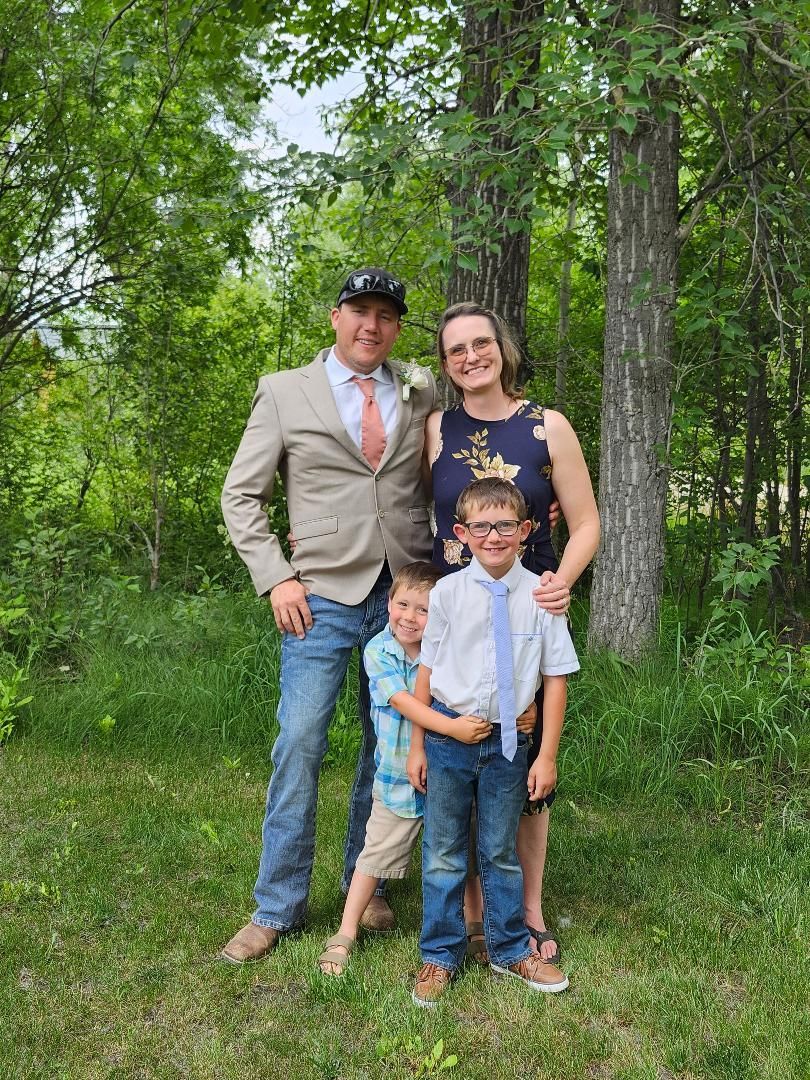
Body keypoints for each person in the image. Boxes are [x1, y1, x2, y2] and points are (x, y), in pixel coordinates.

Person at [219, 268, 440, 964]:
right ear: (335, 317)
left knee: (389, 748)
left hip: (403, 597)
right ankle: (276, 905)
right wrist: (276, 578)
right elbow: (240, 497)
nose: (371, 325)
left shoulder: (420, 388)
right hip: (316, 596)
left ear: (398, 326)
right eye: (359, 312)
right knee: (300, 744)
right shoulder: (285, 391)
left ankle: (363, 882)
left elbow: (447, 474)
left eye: (386, 315)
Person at [425, 301, 600, 964]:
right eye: (456, 349)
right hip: (459, 611)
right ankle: (472, 905)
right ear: (445, 364)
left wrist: (564, 582)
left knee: (521, 750)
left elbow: (586, 523)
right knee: (458, 747)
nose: (471, 356)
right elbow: (422, 513)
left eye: (481, 343)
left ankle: (527, 905)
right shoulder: (436, 428)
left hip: (531, 607)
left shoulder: (546, 426)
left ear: (502, 348)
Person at [407, 477, 580, 1007]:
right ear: (461, 533)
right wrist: (419, 745)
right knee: (441, 851)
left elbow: (555, 679)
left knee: (500, 850)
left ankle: (509, 949)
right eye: (481, 526)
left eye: (506, 525)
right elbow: (427, 670)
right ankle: (439, 955)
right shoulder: (448, 595)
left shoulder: (542, 596)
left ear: (525, 530)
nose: (494, 536)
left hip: (510, 744)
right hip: (450, 738)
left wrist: (546, 754)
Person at [317, 561, 493, 975]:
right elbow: (403, 701)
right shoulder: (379, 650)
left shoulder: (449, 650)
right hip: (398, 774)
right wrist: (452, 727)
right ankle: (344, 933)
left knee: (460, 851)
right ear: (389, 602)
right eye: (402, 604)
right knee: (375, 854)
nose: (409, 617)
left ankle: (474, 925)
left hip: (450, 772)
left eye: (423, 610)